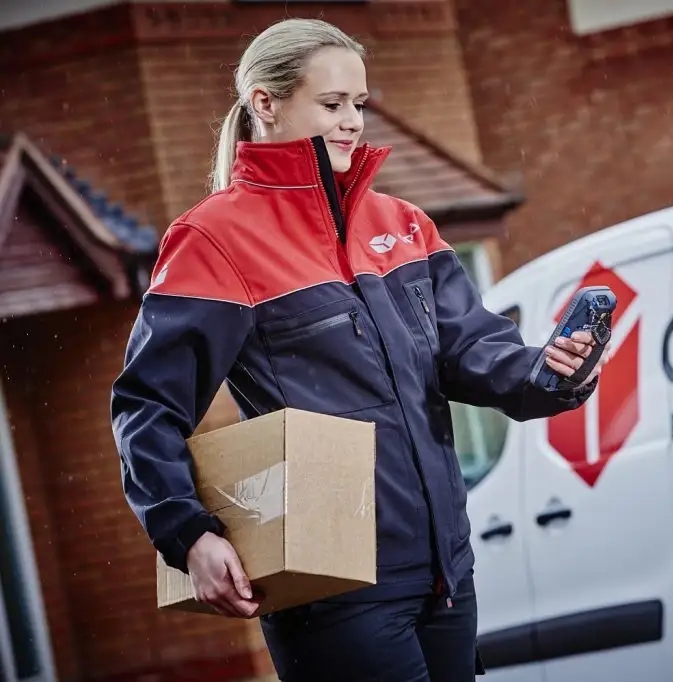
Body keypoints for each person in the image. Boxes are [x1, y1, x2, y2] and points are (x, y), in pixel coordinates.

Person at [110, 17, 605, 682]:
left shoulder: (403, 224)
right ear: (265, 102)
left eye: (359, 104)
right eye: (332, 104)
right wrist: (188, 532)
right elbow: (146, 406)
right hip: (332, 585)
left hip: (445, 571)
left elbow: (470, 350)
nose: (352, 122)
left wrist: (549, 371)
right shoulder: (214, 240)